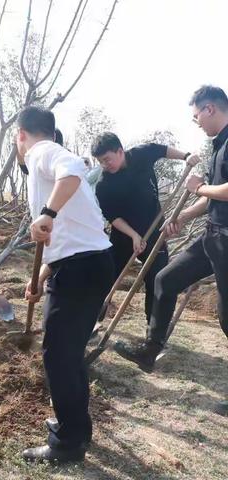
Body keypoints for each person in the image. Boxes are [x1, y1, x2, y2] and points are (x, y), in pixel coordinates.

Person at [112, 86, 228, 413]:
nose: (197, 124)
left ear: (209, 109)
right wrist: (180, 216)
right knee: (165, 280)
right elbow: (211, 199)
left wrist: (200, 186)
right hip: (213, 235)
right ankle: (150, 349)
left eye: (196, 118)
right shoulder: (219, 145)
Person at [15, 106, 113, 463]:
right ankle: (76, 426)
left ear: (21, 134)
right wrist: (41, 278)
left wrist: (47, 212)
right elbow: (66, 239)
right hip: (83, 264)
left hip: (81, 268)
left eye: (16, 138)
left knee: (58, 355)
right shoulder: (43, 164)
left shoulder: (42, 151)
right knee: (68, 354)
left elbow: (73, 169)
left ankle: (68, 442)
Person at [92, 133, 200, 327]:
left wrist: (186, 156)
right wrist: (134, 235)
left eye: (107, 159)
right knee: (106, 276)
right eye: (100, 162)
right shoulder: (103, 184)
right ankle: (91, 321)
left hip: (155, 232)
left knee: (157, 280)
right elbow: (113, 217)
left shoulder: (141, 154)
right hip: (124, 236)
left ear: (120, 151)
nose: (105, 165)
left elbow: (162, 150)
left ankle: (154, 332)